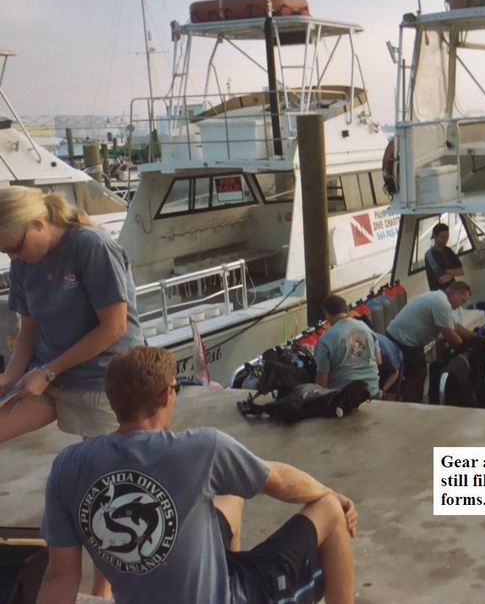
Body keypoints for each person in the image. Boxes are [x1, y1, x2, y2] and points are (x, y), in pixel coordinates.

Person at [37, 345, 357, 604]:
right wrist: (337, 495)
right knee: (329, 508)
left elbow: (61, 576)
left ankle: (223, 573)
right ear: (165, 396)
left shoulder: (68, 466)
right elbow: (280, 480)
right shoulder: (200, 448)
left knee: (231, 494)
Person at [0, 186, 144, 597]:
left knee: (104, 492)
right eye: (5, 253)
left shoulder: (91, 247)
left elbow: (114, 327)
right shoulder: (25, 262)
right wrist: (10, 377)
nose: (12, 258)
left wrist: (46, 371)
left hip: (102, 377)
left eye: (13, 247)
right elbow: (28, 329)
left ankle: (103, 590)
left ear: (39, 224)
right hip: (49, 375)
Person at [385, 281, 476, 403]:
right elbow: (449, 334)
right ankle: (410, 407)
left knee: (422, 373)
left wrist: (474, 337)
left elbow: (454, 326)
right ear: (456, 293)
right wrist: (467, 350)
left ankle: (418, 403)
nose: (460, 306)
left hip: (412, 342)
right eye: (462, 301)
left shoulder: (440, 298)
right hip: (403, 340)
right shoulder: (442, 303)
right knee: (413, 378)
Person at [315, 294, 381, 399]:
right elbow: (378, 360)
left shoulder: (326, 339)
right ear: (346, 310)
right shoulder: (366, 328)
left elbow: (322, 380)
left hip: (344, 398)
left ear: (327, 314)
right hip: (372, 391)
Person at [424, 222, 465, 291]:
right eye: (443, 237)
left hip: (452, 292)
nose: (446, 239)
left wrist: (448, 272)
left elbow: (461, 271)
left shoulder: (448, 250)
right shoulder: (429, 255)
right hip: (439, 294)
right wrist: (454, 273)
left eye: (447, 236)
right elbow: (442, 280)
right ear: (435, 236)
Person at [375, 333, 402, 399]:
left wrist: (383, 390)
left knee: (389, 398)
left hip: (393, 367)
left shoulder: (387, 353)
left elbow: (395, 372)